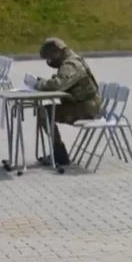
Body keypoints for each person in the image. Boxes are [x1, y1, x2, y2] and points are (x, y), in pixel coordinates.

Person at [32, 37, 102, 167]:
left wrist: (39, 84)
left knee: (45, 112)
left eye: (50, 57)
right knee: (45, 111)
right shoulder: (69, 61)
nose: (50, 61)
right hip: (82, 105)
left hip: (86, 109)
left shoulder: (71, 65)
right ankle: (57, 153)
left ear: (57, 52)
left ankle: (60, 155)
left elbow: (57, 85)